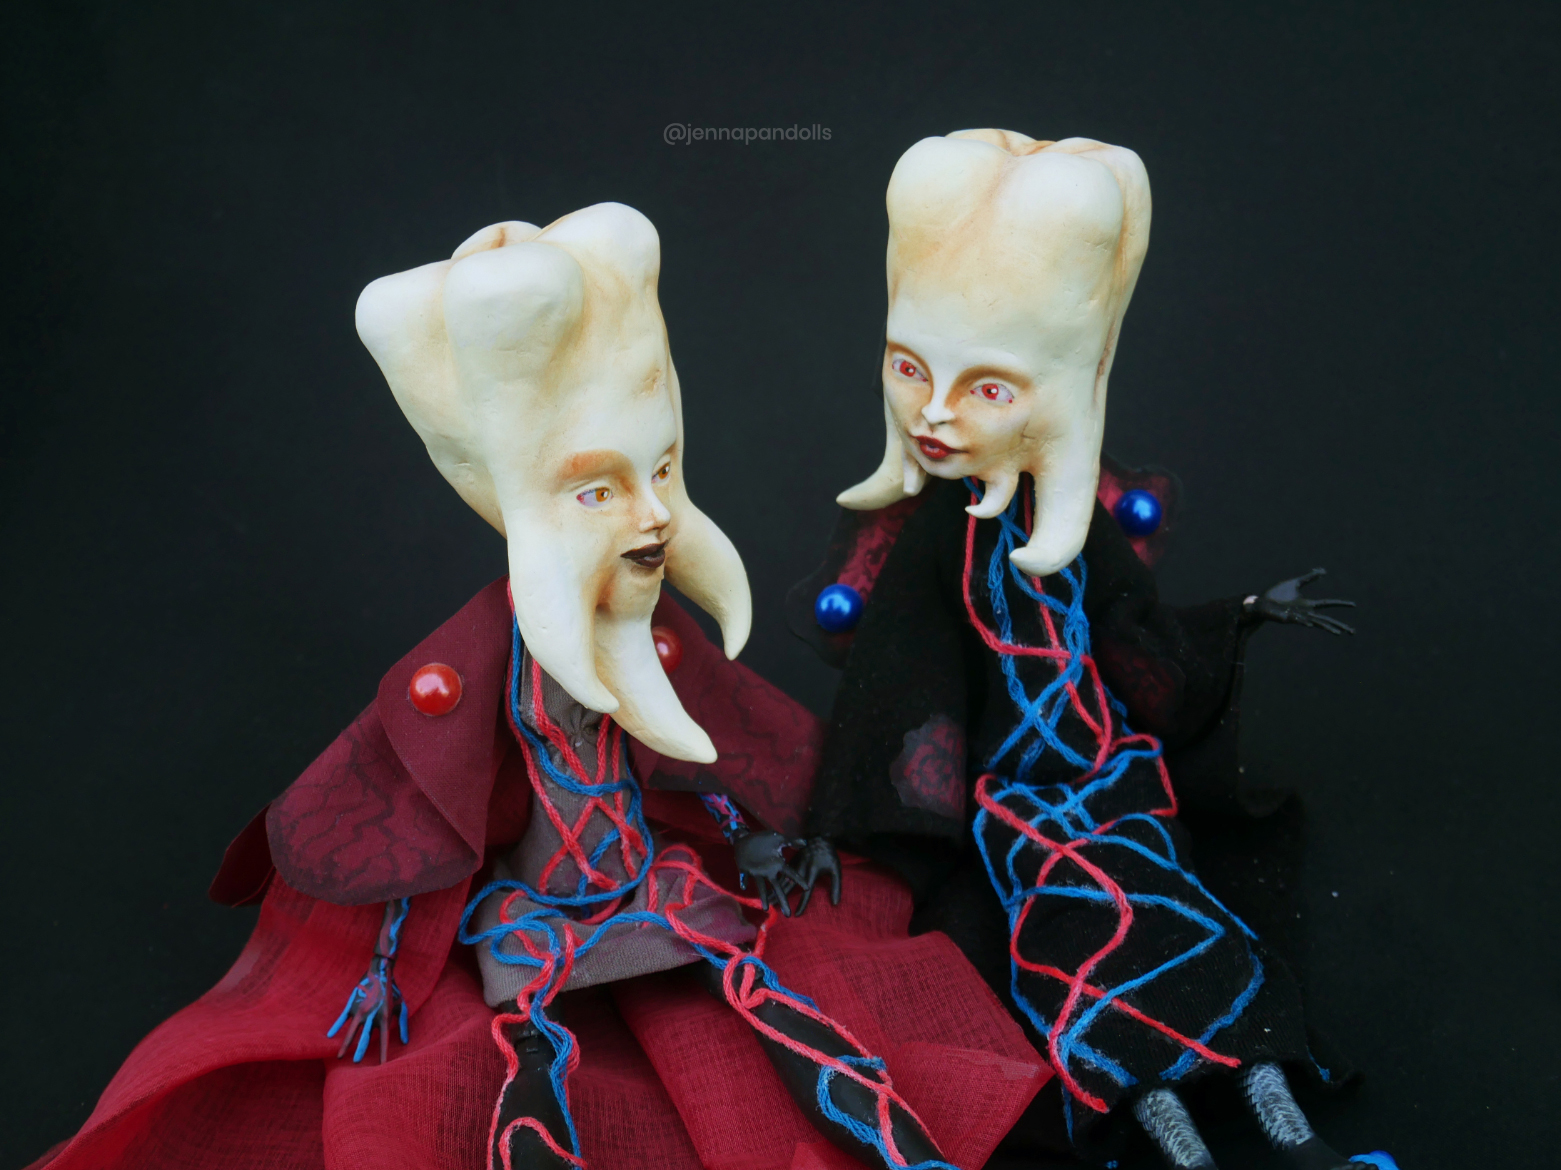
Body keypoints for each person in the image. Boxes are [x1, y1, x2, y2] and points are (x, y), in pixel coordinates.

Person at [28, 204, 1045, 1170]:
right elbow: (422, 818)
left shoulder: (649, 635)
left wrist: (749, 833)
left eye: (663, 471)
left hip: (650, 883)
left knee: (763, 989)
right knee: (526, 1042)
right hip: (540, 907)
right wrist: (382, 965)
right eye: (600, 490)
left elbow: (700, 756)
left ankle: (891, 1135)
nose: (653, 517)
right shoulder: (474, 669)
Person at [793, 130, 1395, 1170]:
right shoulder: (937, 537)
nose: (934, 413)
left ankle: (1290, 1133)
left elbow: (1134, 635)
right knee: (1086, 966)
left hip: (1118, 778)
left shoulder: (1079, 529)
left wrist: (1243, 614)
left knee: (1201, 941)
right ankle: (1175, 1145)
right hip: (1019, 807)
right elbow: (898, 674)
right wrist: (832, 822)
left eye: (988, 388)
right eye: (910, 370)